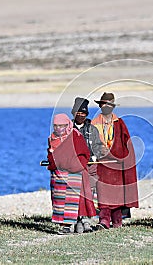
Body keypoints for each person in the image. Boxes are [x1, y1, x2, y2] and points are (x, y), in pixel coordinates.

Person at [91, 92, 139, 229]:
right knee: (103, 194)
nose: (106, 106)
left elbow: (127, 143)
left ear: (113, 106)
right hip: (102, 165)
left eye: (109, 104)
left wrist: (127, 160)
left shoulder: (120, 123)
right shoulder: (94, 123)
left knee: (117, 194)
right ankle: (104, 221)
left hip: (117, 164)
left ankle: (117, 221)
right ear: (100, 105)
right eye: (103, 104)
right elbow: (90, 142)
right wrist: (99, 150)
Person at [46, 113, 96, 234]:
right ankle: (65, 226)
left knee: (73, 201)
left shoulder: (75, 136)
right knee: (60, 200)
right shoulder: (52, 138)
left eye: (62, 126)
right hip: (59, 175)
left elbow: (84, 154)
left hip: (74, 174)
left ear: (67, 125)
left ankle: (79, 223)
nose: (59, 129)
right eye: (56, 126)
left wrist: (75, 164)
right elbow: (51, 155)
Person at [70, 97, 104, 232]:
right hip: (73, 168)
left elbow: (98, 146)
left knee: (89, 194)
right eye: (78, 113)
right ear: (74, 113)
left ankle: (87, 221)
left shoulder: (92, 129)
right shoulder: (67, 128)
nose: (81, 115)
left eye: (83, 113)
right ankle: (74, 220)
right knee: (74, 193)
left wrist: (96, 155)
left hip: (90, 167)